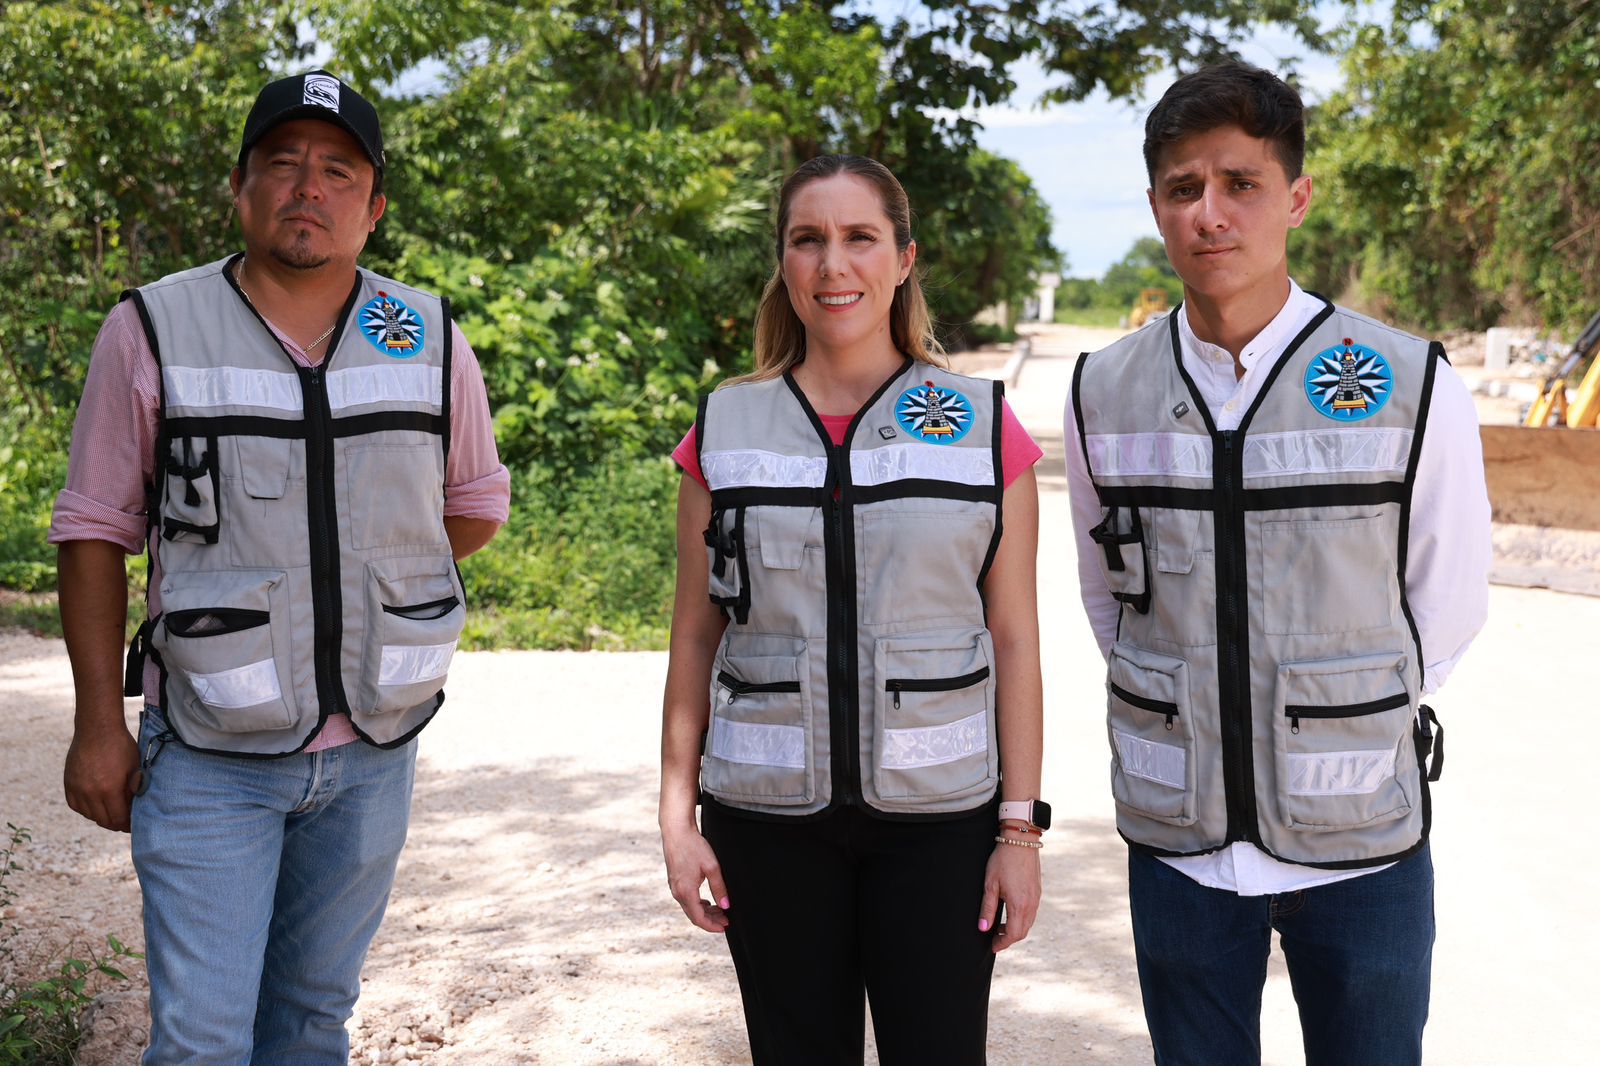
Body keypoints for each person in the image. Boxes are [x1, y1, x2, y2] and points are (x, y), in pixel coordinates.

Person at [53, 69, 509, 1062]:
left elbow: (470, 512)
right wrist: (97, 723)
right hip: (211, 758)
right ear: (241, 186)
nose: (311, 188)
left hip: (373, 755)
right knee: (203, 1038)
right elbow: (92, 533)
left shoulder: (428, 338)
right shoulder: (154, 330)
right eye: (285, 164)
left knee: (311, 1023)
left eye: (338, 171)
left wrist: (363, 585)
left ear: (373, 206)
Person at [1064, 63, 1491, 1065]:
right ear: (1157, 206)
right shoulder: (1103, 390)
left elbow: (1450, 594)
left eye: (1238, 183)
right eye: (1182, 187)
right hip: (1179, 843)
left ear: (1294, 196)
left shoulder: (1405, 382)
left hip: (1359, 841)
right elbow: (1106, 598)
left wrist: (1335, 717)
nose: (1208, 213)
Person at [659, 154, 1048, 1065]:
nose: (834, 265)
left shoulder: (987, 430)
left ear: (904, 259)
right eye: (808, 240)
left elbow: (1018, 643)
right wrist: (677, 822)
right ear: (784, 264)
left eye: (860, 238)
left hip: (941, 829)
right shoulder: (724, 430)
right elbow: (691, 638)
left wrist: (1019, 832)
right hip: (764, 825)